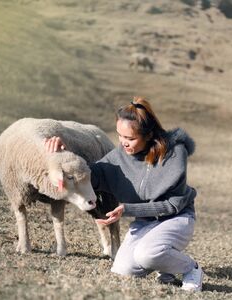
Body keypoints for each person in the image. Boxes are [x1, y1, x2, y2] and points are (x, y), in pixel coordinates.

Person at [45, 97, 204, 292]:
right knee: (123, 269)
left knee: (147, 254)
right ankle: (166, 267)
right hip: (145, 222)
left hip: (177, 218)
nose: (123, 143)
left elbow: (172, 205)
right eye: (120, 136)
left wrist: (128, 209)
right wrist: (65, 153)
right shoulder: (119, 155)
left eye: (130, 138)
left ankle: (191, 268)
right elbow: (89, 175)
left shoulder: (174, 153)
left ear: (148, 135)